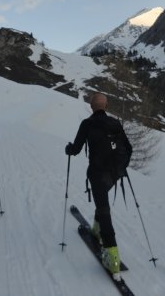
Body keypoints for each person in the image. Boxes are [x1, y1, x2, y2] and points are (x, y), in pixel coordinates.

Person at [65, 92, 131, 281]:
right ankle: (96, 229)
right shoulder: (116, 124)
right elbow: (129, 149)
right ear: (106, 106)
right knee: (102, 201)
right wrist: (121, 169)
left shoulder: (87, 124)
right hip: (114, 175)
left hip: (97, 174)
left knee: (104, 209)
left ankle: (112, 257)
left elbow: (76, 149)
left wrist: (68, 149)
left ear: (92, 106)